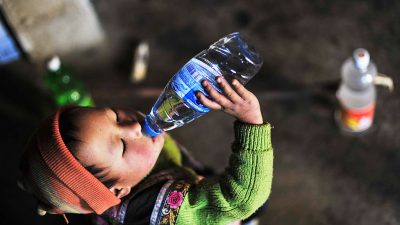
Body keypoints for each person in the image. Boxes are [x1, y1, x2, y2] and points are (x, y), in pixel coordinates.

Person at [18, 76, 274, 225]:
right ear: (118, 191)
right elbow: (240, 199)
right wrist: (250, 123)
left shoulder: (128, 168)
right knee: (246, 202)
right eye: (122, 145)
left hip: (179, 176)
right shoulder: (168, 209)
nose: (133, 127)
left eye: (115, 116)